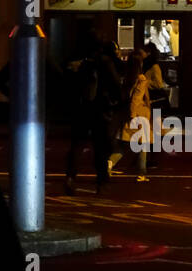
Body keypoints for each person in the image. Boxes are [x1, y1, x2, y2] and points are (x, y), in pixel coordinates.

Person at [64, 32, 121, 195]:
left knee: (77, 146)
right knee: (101, 148)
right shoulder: (104, 62)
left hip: (80, 109)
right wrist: (115, 101)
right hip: (99, 110)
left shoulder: (76, 63)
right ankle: (101, 183)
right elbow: (115, 84)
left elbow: (65, 83)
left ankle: (70, 177)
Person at [118, 52, 154, 182]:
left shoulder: (128, 77)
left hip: (131, 114)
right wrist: (133, 114)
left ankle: (109, 163)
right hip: (140, 115)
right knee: (143, 145)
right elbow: (137, 98)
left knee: (124, 146)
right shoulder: (141, 79)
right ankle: (141, 173)